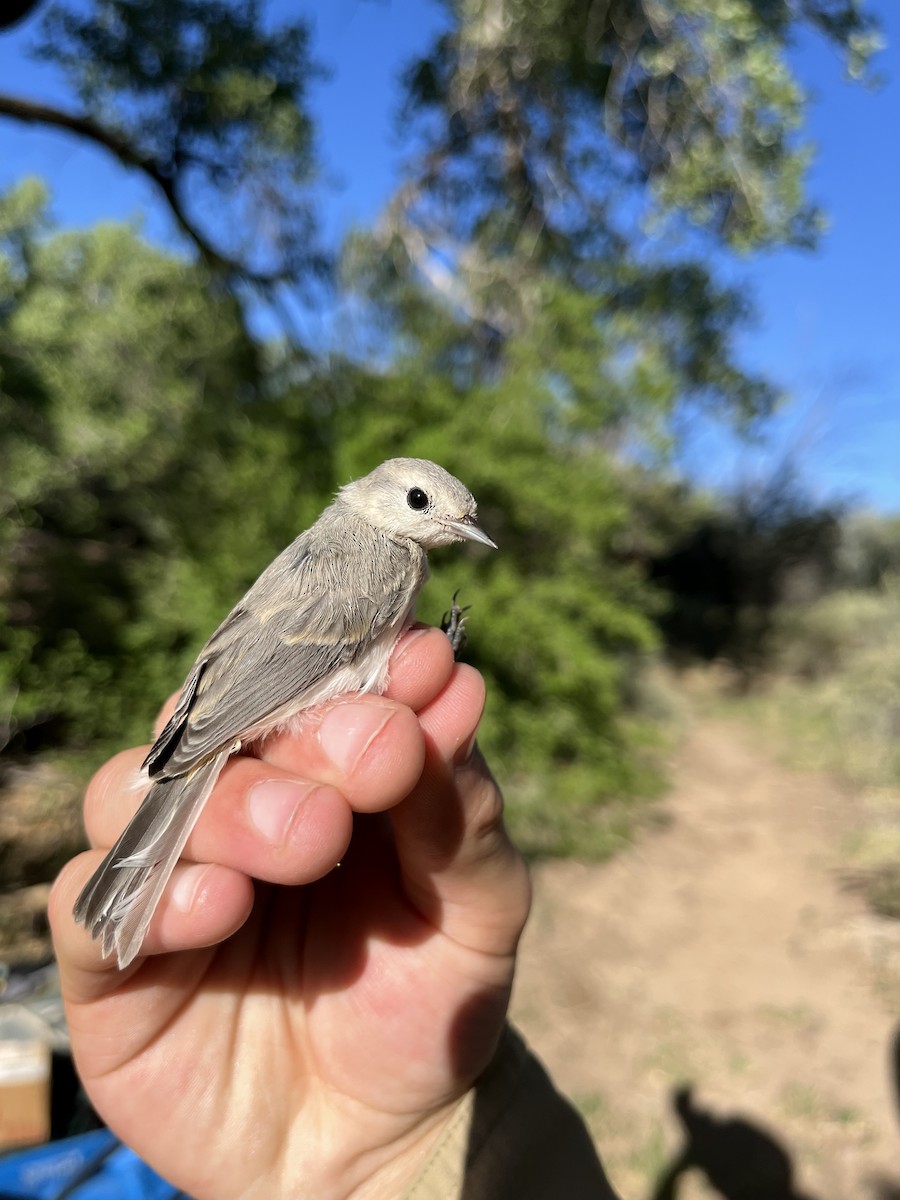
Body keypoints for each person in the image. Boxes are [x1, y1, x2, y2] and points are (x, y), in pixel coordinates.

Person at [50, 626, 618, 1199]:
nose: (459, 531)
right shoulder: (374, 554)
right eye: (453, 523)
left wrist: (401, 1158)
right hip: (252, 716)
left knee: (372, 740)